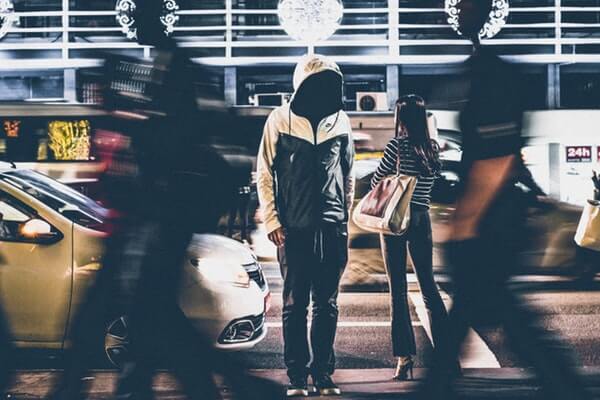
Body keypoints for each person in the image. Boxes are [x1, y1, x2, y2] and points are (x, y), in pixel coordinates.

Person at [419, 1, 592, 399]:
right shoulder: (484, 70)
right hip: (500, 219)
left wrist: (465, 222)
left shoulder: (490, 76)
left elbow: (496, 158)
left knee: (489, 314)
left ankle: (438, 387)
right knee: (496, 316)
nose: (456, 12)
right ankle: (562, 385)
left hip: (492, 224)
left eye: (463, 6)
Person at [257, 54, 355, 397]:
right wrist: (272, 218)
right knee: (295, 304)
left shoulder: (341, 121)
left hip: (331, 227)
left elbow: (348, 172)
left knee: (327, 304)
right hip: (293, 228)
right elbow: (264, 172)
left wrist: (343, 217)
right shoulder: (279, 119)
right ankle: (297, 377)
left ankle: (323, 374)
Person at [371, 94, 449, 381]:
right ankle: (446, 356)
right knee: (429, 287)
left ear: (400, 118)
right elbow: (434, 180)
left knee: (398, 289)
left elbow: (378, 178)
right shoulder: (431, 148)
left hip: (396, 221)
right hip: (422, 219)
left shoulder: (397, 147)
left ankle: (404, 359)